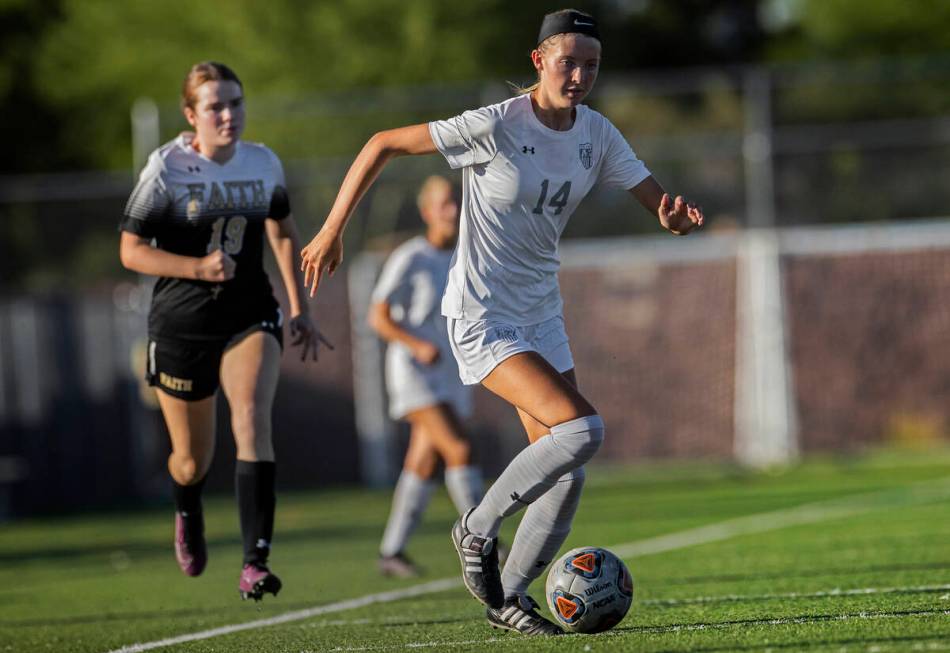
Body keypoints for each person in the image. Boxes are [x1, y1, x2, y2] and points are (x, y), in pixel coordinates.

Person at [301, 8, 703, 635]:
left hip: (542, 313)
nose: (580, 75)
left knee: (568, 470)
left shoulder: (596, 133)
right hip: (482, 315)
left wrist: (672, 219)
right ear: (539, 60)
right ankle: (475, 527)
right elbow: (380, 143)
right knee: (584, 430)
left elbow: (658, 204)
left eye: (591, 66)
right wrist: (330, 230)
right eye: (569, 62)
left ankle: (507, 598)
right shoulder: (493, 125)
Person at [119, 61, 331, 602]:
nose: (228, 115)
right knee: (192, 460)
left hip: (249, 312)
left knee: (251, 420)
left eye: (235, 103)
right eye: (215, 106)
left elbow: (282, 231)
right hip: (182, 324)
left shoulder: (262, 162)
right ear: (192, 115)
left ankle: (254, 561)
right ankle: (187, 507)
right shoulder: (166, 168)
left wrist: (299, 307)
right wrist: (197, 268)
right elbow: (131, 250)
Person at [369, 175, 486, 578]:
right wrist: (416, 345)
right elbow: (378, 316)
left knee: (422, 462)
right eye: (443, 204)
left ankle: (391, 552)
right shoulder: (411, 256)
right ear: (427, 212)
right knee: (459, 449)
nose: (452, 210)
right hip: (414, 372)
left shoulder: (467, 256)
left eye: (456, 202)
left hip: (451, 374)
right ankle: (484, 538)